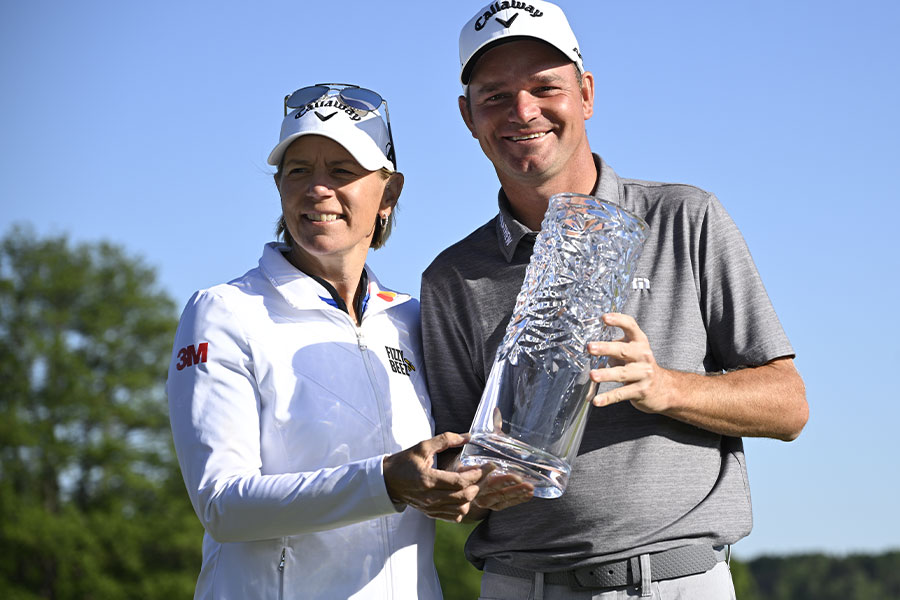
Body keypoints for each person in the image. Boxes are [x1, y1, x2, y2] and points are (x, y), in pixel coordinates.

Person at [420, 2, 810, 598]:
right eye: (495, 96)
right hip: (524, 584)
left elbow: (788, 406)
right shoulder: (452, 276)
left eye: (545, 87)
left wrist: (665, 386)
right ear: (467, 116)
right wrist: (461, 485)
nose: (523, 112)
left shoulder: (686, 217)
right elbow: (456, 473)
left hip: (679, 581)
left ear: (586, 94)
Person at [167, 83, 487, 600]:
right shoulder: (224, 311)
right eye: (299, 171)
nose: (318, 188)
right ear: (279, 187)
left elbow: (444, 463)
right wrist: (386, 482)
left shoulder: (412, 318)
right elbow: (221, 505)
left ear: (389, 193)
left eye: (342, 171)